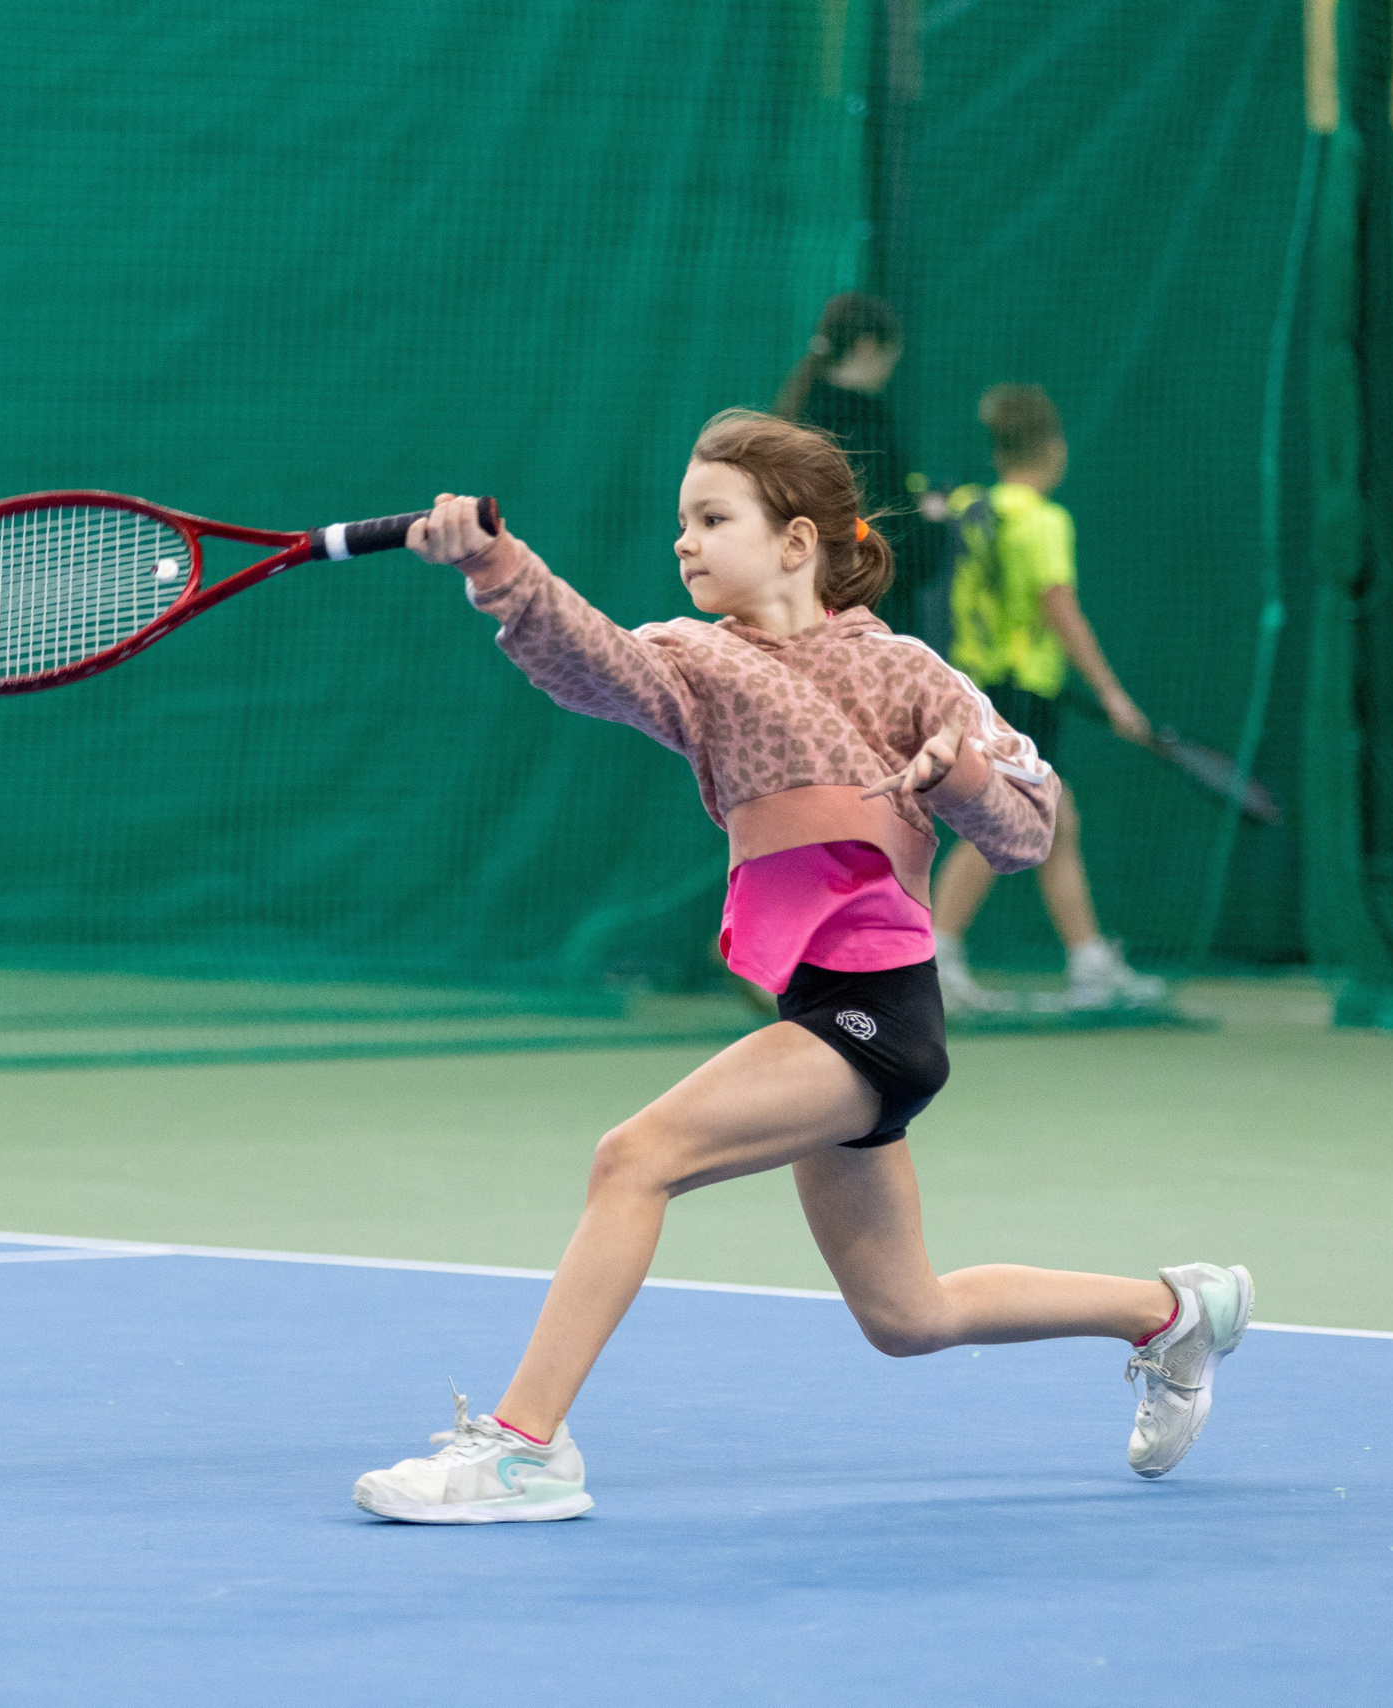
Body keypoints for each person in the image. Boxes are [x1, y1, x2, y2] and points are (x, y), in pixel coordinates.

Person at [350, 410, 1251, 1524]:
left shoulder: (906, 671)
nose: (684, 541)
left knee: (633, 1159)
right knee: (905, 1314)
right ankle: (1173, 1311)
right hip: (815, 1008)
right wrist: (496, 565)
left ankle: (525, 1447)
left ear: (796, 541)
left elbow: (1028, 828)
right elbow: (592, 662)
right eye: (679, 521)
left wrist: (959, 774)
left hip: (876, 1015)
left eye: (711, 518)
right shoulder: (696, 662)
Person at [932, 385, 1164, 1012]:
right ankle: (931, 960)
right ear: (1053, 450)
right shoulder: (1042, 521)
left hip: (976, 689)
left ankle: (1089, 963)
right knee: (1005, 824)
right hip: (1022, 696)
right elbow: (1061, 612)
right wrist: (1115, 697)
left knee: (1056, 821)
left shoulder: (967, 507)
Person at [774, 292, 948, 645]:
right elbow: (899, 540)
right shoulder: (868, 429)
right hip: (863, 623)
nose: (886, 375)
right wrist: (932, 522)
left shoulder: (793, 417)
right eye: (887, 362)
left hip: (796, 615)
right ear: (868, 347)